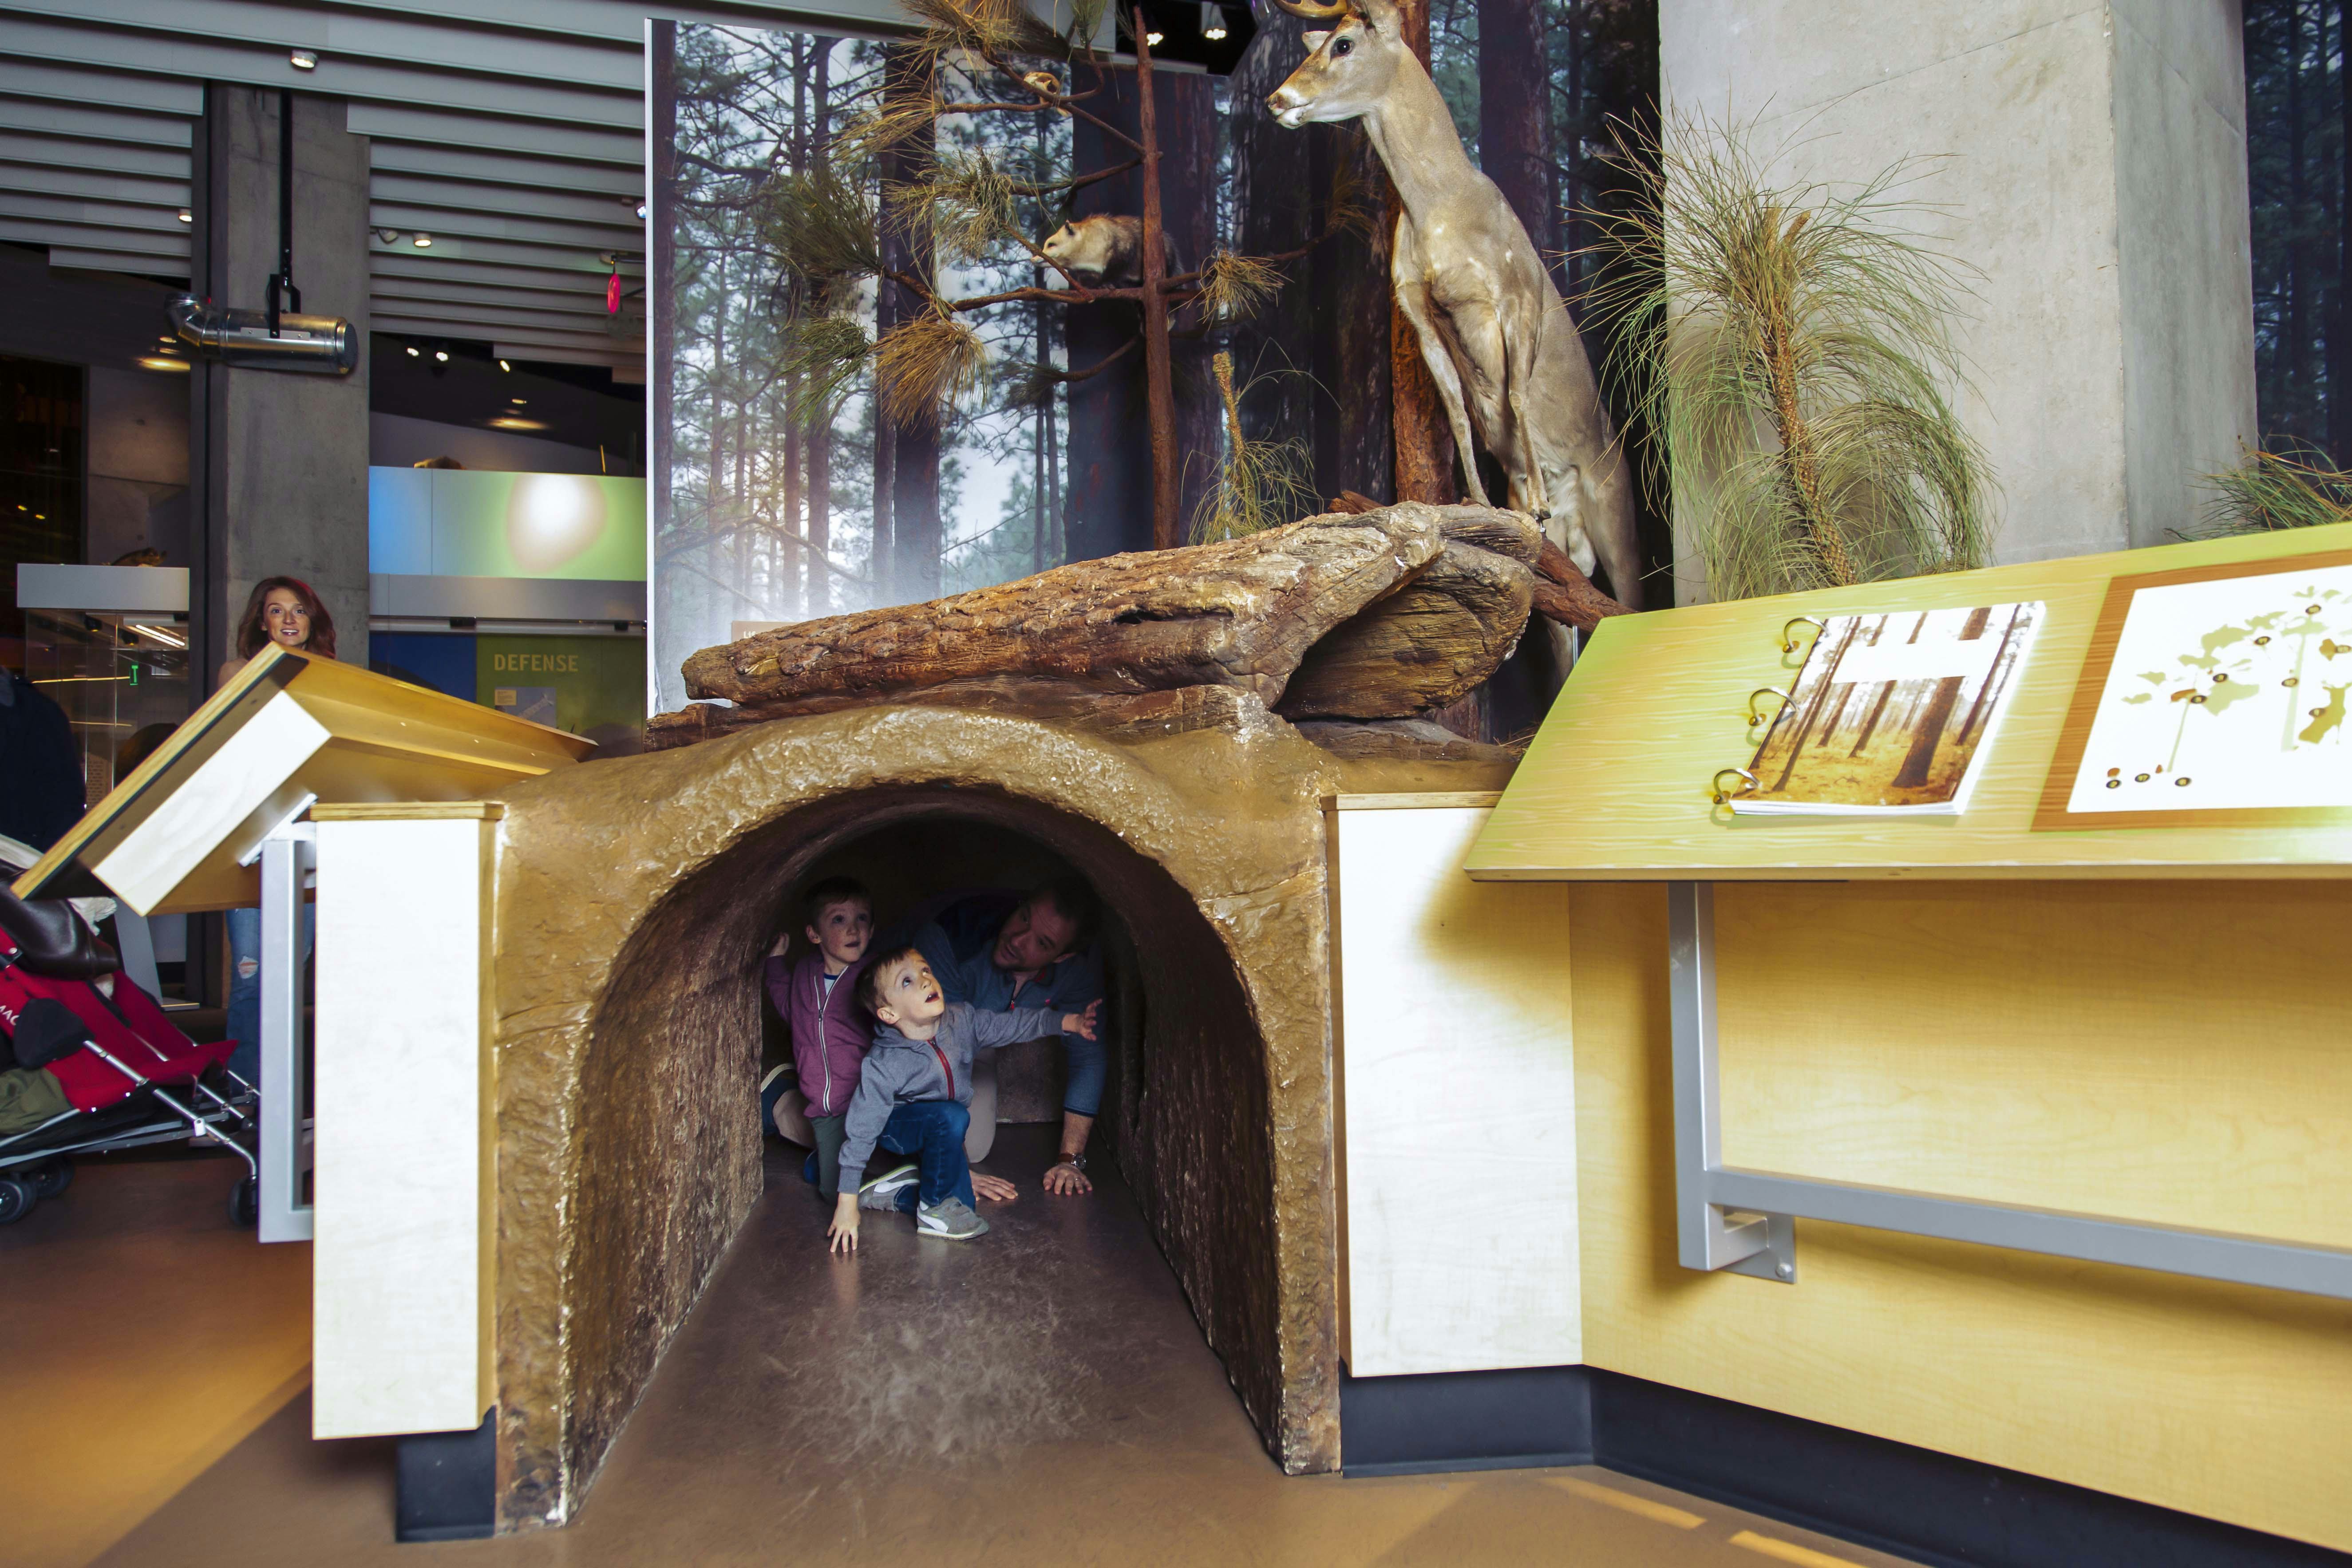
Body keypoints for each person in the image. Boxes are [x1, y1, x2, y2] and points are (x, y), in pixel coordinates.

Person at [828, 945, 1099, 1250]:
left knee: (964, 1205)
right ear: (889, 1013)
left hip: (942, 1128)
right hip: (896, 1129)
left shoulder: (961, 1021)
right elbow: (863, 1128)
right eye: (907, 981)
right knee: (950, 1117)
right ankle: (931, 1210)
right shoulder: (884, 1062)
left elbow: (1012, 1024)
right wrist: (846, 1202)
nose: (925, 980)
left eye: (925, 970)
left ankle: (893, 1193)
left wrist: (1067, 1022)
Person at [911, 878, 1105, 1195]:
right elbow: (938, 1049)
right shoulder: (954, 935)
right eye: (1024, 917)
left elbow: (1088, 1053)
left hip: (976, 1040)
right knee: (917, 1139)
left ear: (1062, 956)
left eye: (1042, 943)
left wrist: (1070, 1160)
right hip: (910, 1041)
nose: (1017, 939)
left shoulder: (1079, 967)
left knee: (974, 1146)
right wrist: (954, 1169)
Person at [218, 577, 336, 1083]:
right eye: (276, 610)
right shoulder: (237, 672)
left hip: (310, 835)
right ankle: (243, 1093)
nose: (289, 619)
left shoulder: (332, 676)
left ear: (312, 621)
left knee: (291, 977)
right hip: (250, 837)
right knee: (251, 978)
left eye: (298, 611)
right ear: (261, 621)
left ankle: (284, 1090)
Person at [759, 877, 874, 1203]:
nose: (853, 929)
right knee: (830, 1189)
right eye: (839, 919)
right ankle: (825, 1163)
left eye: (862, 918)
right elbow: (790, 1008)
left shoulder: (874, 977)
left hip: (866, 1100)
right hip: (824, 1107)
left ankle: (901, 1194)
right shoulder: (806, 972)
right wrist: (775, 963)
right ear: (814, 934)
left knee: (853, 1180)